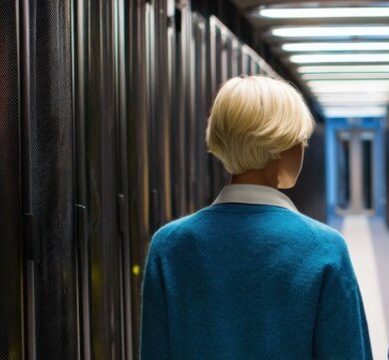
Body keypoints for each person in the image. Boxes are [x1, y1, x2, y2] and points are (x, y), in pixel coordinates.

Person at [140, 75, 373, 359]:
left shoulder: (169, 247)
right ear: (281, 146)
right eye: (300, 139)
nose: (303, 148)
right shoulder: (324, 248)